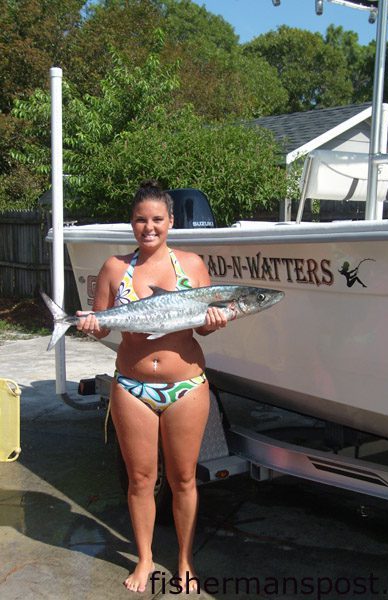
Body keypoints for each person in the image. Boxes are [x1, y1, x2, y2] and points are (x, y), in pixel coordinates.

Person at [76, 180, 227, 593]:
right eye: (141, 219)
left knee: (183, 480)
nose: (149, 227)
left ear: (171, 221)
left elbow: (204, 328)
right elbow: (103, 325)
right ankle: (144, 559)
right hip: (132, 387)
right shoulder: (114, 268)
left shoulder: (192, 265)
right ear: (131, 222)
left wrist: (211, 323)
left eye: (157, 219)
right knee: (141, 479)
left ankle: (184, 561)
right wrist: (90, 325)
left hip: (186, 386)